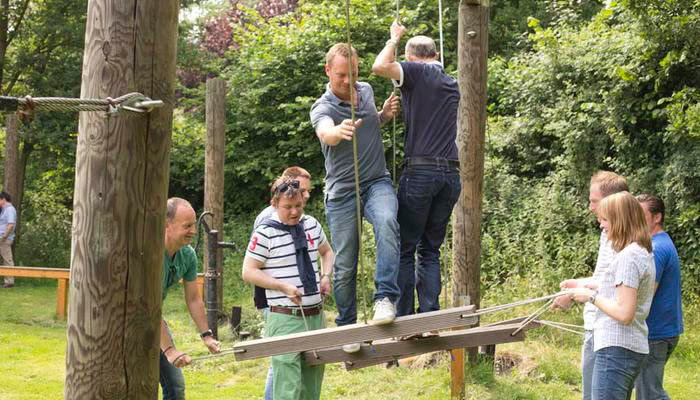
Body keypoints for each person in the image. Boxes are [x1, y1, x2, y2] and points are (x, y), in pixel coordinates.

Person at [372, 21, 461, 317]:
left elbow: (380, 66)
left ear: (411, 59)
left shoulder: (416, 72)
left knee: (406, 247)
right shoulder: (451, 82)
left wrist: (394, 39)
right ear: (436, 55)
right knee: (431, 249)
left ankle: (407, 317)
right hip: (450, 175)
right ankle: (431, 314)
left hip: (421, 172)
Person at [310, 43, 401, 330]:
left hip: (376, 182)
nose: (348, 81)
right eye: (340, 75)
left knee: (387, 221)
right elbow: (325, 132)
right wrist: (336, 132)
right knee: (346, 264)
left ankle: (385, 298)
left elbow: (371, 124)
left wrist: (384, 115)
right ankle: (347, 324)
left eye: (353, 73)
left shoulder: (366, 91)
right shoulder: (322, 107)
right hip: (342, 192)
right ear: (328, 71)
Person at [242, 177, 334, 400]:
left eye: (298, 206)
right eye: (288, 207)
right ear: (274, 204)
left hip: (315, 317)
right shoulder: (265, 233)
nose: (294, 212)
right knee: (288, 389)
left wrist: (325, 276)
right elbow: (248, 271)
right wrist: (282, 286)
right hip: (285, 317)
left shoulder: (311, 224)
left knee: (312, 386)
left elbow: (327, 252)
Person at [568, 191, 656, 400]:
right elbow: (620, 292)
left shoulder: (628, 257)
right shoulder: (637, 251)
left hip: (617, 350)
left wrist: (590, 297)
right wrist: (585, 286)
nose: (601, 225)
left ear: (620, 221)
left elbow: (625, 313)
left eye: (605, 220)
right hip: (625, 349)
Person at [555, 171, 628, 400]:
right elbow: (605, 278)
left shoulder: (623, 241)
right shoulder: (608, 234)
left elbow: (617, 289)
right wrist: (578, 285)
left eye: (593, 201)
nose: (590, 207)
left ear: (610, 202)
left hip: (606, 331)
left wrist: (582, 292)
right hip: (597, 325)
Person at [253, 166, 313, 400]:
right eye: (303, 189)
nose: (306, 195)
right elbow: (256, 264)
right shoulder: (270, 220)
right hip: (275, 301)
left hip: (294, 300)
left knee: (289, 364)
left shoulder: (300, 218)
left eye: (307, 192)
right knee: (281, 364)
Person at [159, 197, 221, 400]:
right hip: (125, 321)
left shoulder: (187, 255)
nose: (194, 231)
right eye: (187, 226)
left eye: (194, 225)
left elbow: (194, 299)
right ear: (166, 225)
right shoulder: (150, 254)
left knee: (175, 388)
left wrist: (207, 336)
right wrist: (169, 350)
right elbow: (145, 308)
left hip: (153, 320)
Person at [634, 194, 683, 400]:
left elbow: (646, 294)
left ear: (657, 218)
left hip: (656, 334)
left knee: (649, 394)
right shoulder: (660, 242)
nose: (635, 219)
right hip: (663, 331)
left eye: (640, 214)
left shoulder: (657, 248)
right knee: (649, 390)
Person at [0, 191, 17, 288]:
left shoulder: (10, 209)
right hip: (2, 238)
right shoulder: (4, 210)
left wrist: (4, 237)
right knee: (6, 259)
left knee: (7, 259)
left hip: (4, 239)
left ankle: (9, 282)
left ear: (3, 199)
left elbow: (10, 225)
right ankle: (8, 281)